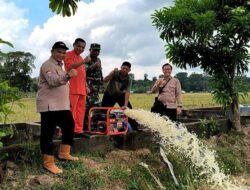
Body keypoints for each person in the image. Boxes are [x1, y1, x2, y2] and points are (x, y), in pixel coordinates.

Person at [36, 41, 79, 174]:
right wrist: (68, 76)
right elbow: (53, 81)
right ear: (52, 52)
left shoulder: (60, 66)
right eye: (58, 52)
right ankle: (48, 163)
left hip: (61, 106)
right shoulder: (47, 65)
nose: (61, 54)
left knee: (69, 126)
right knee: (48, 134)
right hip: (50, 106)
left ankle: (64, 153)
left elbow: (62, 85)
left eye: (63, 52)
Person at [64, 38, 91, 137]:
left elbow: (82, 75)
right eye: (79, 46)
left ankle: (78, 130)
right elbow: (70, 67)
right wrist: (83, 62)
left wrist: (86, 86)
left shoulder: (80, 58)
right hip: (72, 88)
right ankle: (69, 131)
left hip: (81, 89)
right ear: (74, 45)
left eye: (83, 47)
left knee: (80, 111)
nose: (81, 48)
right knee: (72, 111)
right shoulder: (68, 54)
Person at [101, 61, 139, 130]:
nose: (124, 70)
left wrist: (125, 104)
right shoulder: (115, 73)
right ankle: (102, 127)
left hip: (120, 95)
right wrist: (111, 73)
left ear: (129, 70)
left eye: (126, 69)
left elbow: (127, 92)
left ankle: (135, 127)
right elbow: (105, 80)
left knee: (129, 110)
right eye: (123, 68)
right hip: (109, 94)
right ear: (120, 67)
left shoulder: (129, 79)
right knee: (104, 111)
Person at [84, 43, 103, 129]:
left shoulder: (98, 59)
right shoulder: (87, 59)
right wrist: (93, 66)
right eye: (94, 50)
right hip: (88, 88)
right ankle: (83, 127)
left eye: (98, 50)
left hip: (96, 90)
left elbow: (99, 72)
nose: (96, 52)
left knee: (96, 109)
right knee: (86, 108)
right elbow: (83, 71)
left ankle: (93, 126)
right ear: (90, 50)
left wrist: (101, 84)